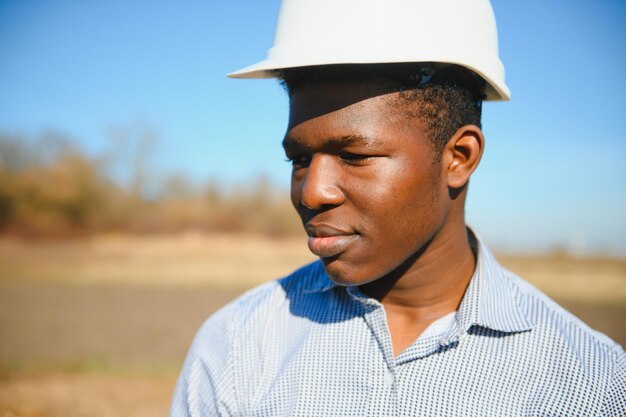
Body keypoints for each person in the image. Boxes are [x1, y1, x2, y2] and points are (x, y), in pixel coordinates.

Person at [170, 1, 625, 415]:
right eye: (299, 159)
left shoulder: (588, 383)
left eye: (354, 156)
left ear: (458, 157)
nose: (312, 193)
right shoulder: (235, 346)